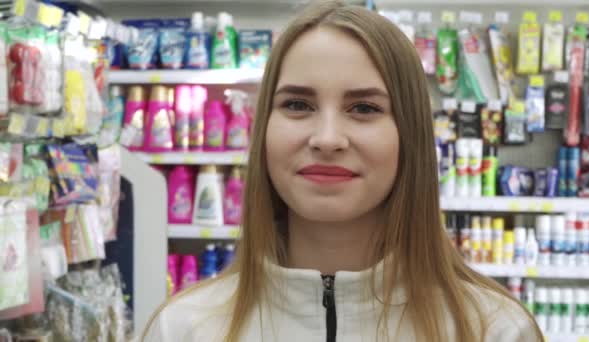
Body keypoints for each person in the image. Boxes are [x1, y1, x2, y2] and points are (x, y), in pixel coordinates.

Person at [142, 1, 543, 341]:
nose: (327, 138)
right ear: (263, 128)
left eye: (364, 108)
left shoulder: (494, 330)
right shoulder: (183, 328)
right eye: (298, 105)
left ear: (411, 135)